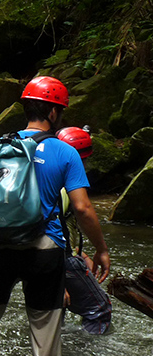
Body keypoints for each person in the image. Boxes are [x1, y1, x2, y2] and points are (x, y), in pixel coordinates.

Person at [0, 76, 111, 356]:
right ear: (54, 112)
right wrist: (101, 250)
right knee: (45, 327)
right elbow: (82, 208)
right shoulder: (65, 151)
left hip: (0, 244)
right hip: (45, 248)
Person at [56, 126, 112, 335]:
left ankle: (57, 354)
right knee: (100, 309)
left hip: (46, 258)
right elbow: (50, 230)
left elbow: (61, 227)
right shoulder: (67, 189)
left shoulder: (49, 179)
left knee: (54, 314)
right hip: (55, 259)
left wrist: (81, 253)